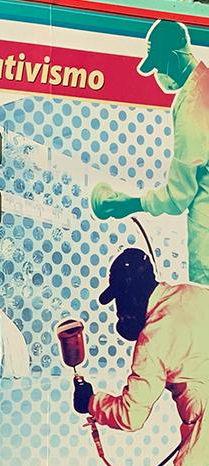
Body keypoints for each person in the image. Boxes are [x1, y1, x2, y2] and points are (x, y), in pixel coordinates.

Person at [74, 247, 209, 466]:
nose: (119, 309)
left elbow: (131, 415)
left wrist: (90, 402)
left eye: (120, 300)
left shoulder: (155, 335)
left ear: (131, 295)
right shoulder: (194, 294)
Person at [92, 19, 209, 286]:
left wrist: (128, 204)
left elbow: (178, 196)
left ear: (173, 57)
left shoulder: (192, 106)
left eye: (159, 65)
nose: (159, 74)